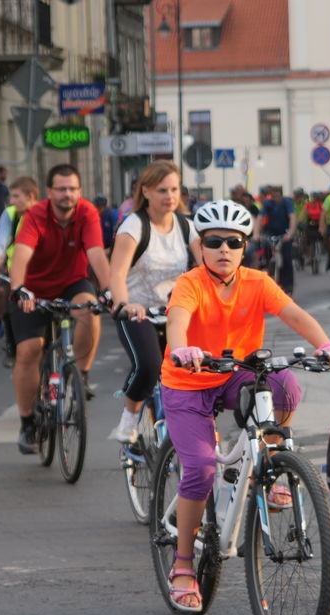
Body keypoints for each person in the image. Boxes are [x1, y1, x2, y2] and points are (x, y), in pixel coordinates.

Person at [159, 199, 330, 613]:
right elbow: (177, 319)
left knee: (285, 384)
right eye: (214, 241)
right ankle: (184, 565)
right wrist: (182, 348)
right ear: (201, 246)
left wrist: (326, 344)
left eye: (233, 241)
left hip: (233, 375)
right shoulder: (191, 283)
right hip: (188, 381)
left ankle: (271, 460)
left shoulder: (257, 282)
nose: (223, 249)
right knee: (200, 470)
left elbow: (294, 314)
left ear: (246, 246)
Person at [7, 164, 111, 454]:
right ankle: (27, 422)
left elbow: (95, 253)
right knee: (29, 350)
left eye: (73, 189)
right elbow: (21, 255)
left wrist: (110, 289)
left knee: (90, 310)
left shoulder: (87, 212)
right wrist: (19, 288)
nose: (68, 194)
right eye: (61, 189)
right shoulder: (35, 215)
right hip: (32, 288)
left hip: (71, 283)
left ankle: (83, 373)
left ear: (79, 191)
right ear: (49, 191)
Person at [103, 161, 201, 443]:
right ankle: (129, 418)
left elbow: (207, 268)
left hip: (172, 312)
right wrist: (124, 305)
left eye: (174, 189)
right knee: (148, 365)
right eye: (161, 190)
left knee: (193, 365)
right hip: (137, 312)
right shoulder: (133, 226)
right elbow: (117, 274)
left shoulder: (186, 226)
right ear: (145, 191)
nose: (170, 196)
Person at [0, 176, 41, 353]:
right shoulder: (9, 214)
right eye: (11, 196)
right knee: (11, 300)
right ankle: (12, 344)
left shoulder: (44, 213)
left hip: (42, 271)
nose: (11, 201)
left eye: (16, 197)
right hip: (16, 273)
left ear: (31, 197)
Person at [257, 185, 296, 294]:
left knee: (286, 258)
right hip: (271, 233)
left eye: (276, 195)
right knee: (266, 254)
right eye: (272, 195)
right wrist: (257, 233)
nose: (274, 197)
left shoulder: (287, 202)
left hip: (284, 234)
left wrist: (290, 234)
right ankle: (269, 277)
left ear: (281, 194)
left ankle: (288, 284)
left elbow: (292, 218)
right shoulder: (268, 203)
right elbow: (260, 218)